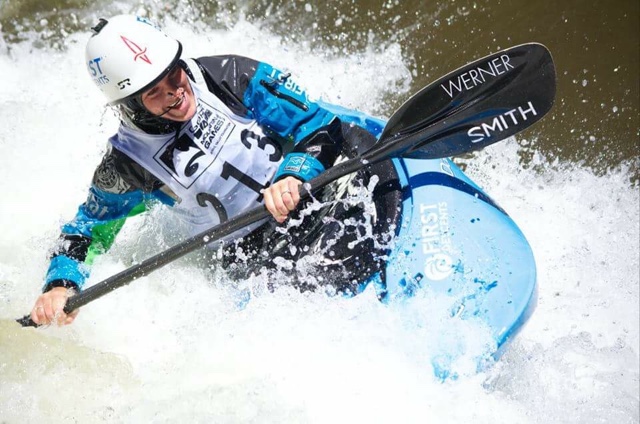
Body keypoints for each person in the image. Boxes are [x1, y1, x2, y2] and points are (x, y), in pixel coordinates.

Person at [30, 14, 402, 326]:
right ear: (131, 106)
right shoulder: (128, 166)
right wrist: (60, 285)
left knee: (371, 163)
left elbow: (318, 123)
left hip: (315, 189)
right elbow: (85, 231)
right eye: (154, 91)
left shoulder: (229, 74)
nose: (175, 91)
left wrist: (294, 174)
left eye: (173, 73)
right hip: (254, 250)